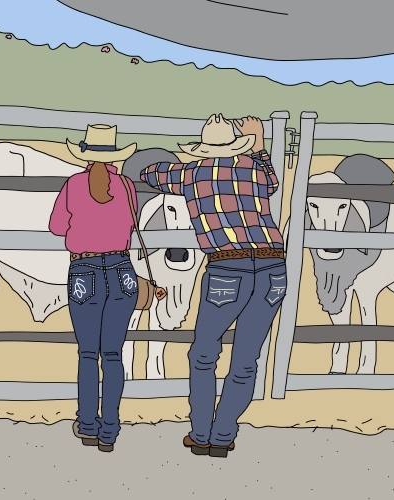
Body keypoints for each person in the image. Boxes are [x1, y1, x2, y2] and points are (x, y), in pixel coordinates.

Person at [139, 114, 287, 458]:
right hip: (273, 265)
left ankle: (201, 432)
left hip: (227, 266)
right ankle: (223, 435)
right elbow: (273, 182)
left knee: (204, 354)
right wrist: (260, 144)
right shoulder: (253, 168)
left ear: (203, 149)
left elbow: (150, 173)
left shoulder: (191, 174)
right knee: (247, 358)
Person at [49, 124, 139, 453]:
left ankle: (88, 424)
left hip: (84, 269)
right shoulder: (127, 186)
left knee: (88, 354)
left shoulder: (73, 185)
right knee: (113, 354)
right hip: (121, 270)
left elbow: (56, 226)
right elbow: (132, 223)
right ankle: (110, 429)